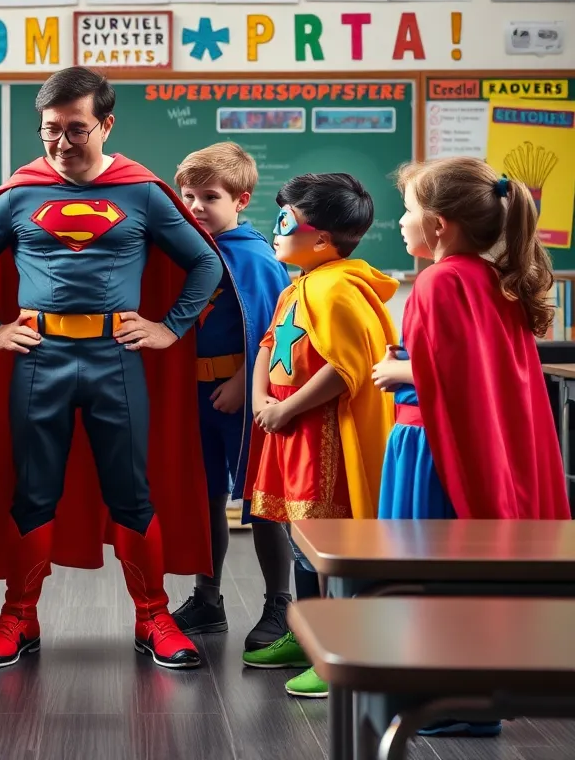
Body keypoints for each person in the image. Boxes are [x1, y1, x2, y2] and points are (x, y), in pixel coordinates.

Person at [0, 66, 223, 671]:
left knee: (130, 492)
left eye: (77, 129)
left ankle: (152, 615)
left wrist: (168, 327)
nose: (62, 143)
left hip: (114, 359)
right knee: (34, 490)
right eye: (51, 130)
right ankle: (19, 615)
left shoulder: (143, 192)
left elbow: (204, 264)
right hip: (39, 360)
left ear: (106, 124)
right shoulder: (19, 194)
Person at [240, 173, 397, 699]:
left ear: (322, 238)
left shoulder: (337, 289)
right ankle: (305, 634)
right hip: (290, 431)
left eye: (285, 221)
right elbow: (269, 342)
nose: (275, 230)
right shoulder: (299, 285)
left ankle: (335, 649)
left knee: (322, 545)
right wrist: (263, 398)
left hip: (319, 437)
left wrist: (286, 408)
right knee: (299, 538)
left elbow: (347, 367)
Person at [375, 158, 569, 522]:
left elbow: (457, 377)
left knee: (422, 558)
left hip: (432, 445)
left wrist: (397, 370)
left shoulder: (439, 281)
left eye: (409, 210)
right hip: (481, 446)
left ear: (438, 225)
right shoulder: (495, 278)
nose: (401, 221)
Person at [170, 143, 293, 653]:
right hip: (195, 395)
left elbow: (272, 332)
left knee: (261, 503)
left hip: (242, 398)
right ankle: (208, 599)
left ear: (240, 200)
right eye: (188, 195)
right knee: (205, 501)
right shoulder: (185, 249)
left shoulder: (255, 255)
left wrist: (245, 383)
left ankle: (279, 605)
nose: (195, 206)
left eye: (209, 196)